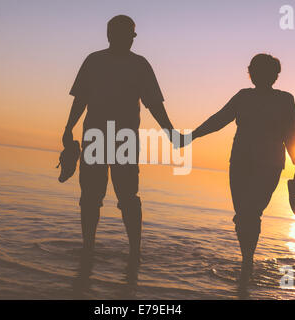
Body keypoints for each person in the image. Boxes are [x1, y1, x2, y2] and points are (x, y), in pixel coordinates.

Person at [62, 15, 175, 268]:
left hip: (122, 138)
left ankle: (134, 252)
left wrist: (169, 130)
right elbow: (80, 99)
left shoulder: (138, 64)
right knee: (93, 196)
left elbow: (153, 103)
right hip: (97, 136)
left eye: (132, 35)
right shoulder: (95, 61)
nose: (131, 40)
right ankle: (91, 248)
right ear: (111, 35)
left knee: (126, 196)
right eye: (128, 35)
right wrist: (68, 129)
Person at [185, 53, 295, 286]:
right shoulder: (243, 97)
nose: (257, 74)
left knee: (250, 213)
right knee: (243, 215)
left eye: (263, 71)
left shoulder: (284, 100)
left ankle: (247, 264)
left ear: (275, 75)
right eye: (254, 70)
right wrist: (191, 136)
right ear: (251, 73)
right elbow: (219, 119)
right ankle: (247, 262)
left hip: (268, 165)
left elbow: (292, 135)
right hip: (241, 163)